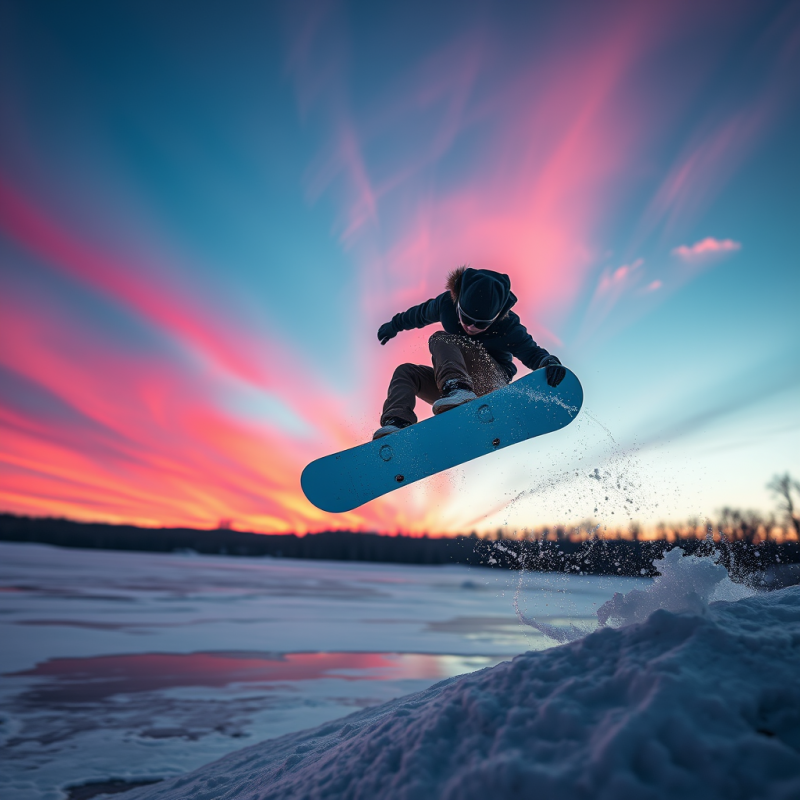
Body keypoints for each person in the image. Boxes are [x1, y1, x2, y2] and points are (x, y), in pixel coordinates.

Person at [374, 266, 567, 439]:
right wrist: (394, 325)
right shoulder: (446, 304)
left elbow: (531, 352)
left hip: (491, 382)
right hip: (452, 391)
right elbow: (419, 314)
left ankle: (459, 390)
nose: (471, 326)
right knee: (406, 372)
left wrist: (548, 362)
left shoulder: (509, 326)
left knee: (442, 338)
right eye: (465, 318)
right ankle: (397, 424)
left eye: (481, 324)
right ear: (457, 303)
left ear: (496, 317)